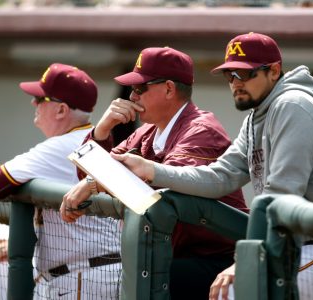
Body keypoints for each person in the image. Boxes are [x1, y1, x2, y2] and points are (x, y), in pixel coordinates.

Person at [109, 32, 313, 299]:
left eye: (244, 74)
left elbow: (282, 194)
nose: (235, 83)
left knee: (235, 290)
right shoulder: (256, 117)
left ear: (274, 71)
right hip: (303, 247)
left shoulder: (293, 106)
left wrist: (246, 261)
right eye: (229, 75)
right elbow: (222, 175)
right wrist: (151, 170)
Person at [60, 47, 249, 300]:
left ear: (169, 89)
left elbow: (167, 191)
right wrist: (103, 130)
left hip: (218, 261)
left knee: (141, 279)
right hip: (173, 256)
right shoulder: (148, 130)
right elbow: (88, 173)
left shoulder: (201, 129)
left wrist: (96, 184)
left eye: (140, 88)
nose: (132, 96)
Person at [0, 63, 122, 299]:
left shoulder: (62, 145)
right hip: (89, 273)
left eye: (41, 99)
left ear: (61, 110)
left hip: (84, 276)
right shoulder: (84, 139)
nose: (34, 103)